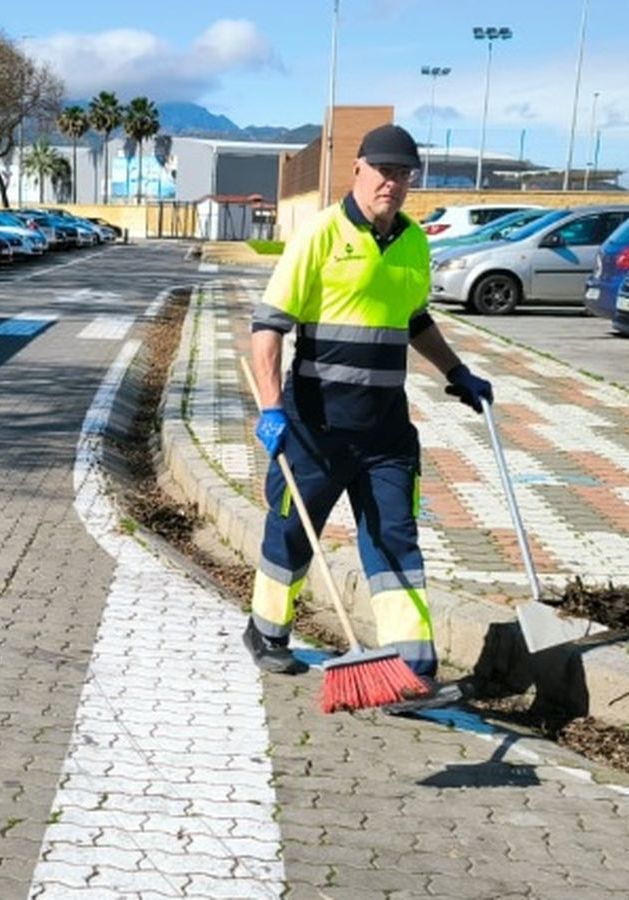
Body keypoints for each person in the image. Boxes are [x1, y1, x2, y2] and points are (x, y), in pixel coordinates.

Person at [243, 123, 493, 711]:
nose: (392, 182)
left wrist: (457, 371)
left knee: (394, 537)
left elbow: (415, 320)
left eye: (403, 173)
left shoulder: (414, 242)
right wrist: (272, 408)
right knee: (292, 529)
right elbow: (268, 327)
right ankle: (267, 632)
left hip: (386, 431)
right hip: (315, 428)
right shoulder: (321, 234)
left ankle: (412, 669)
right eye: (383, 170)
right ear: (357, 169)